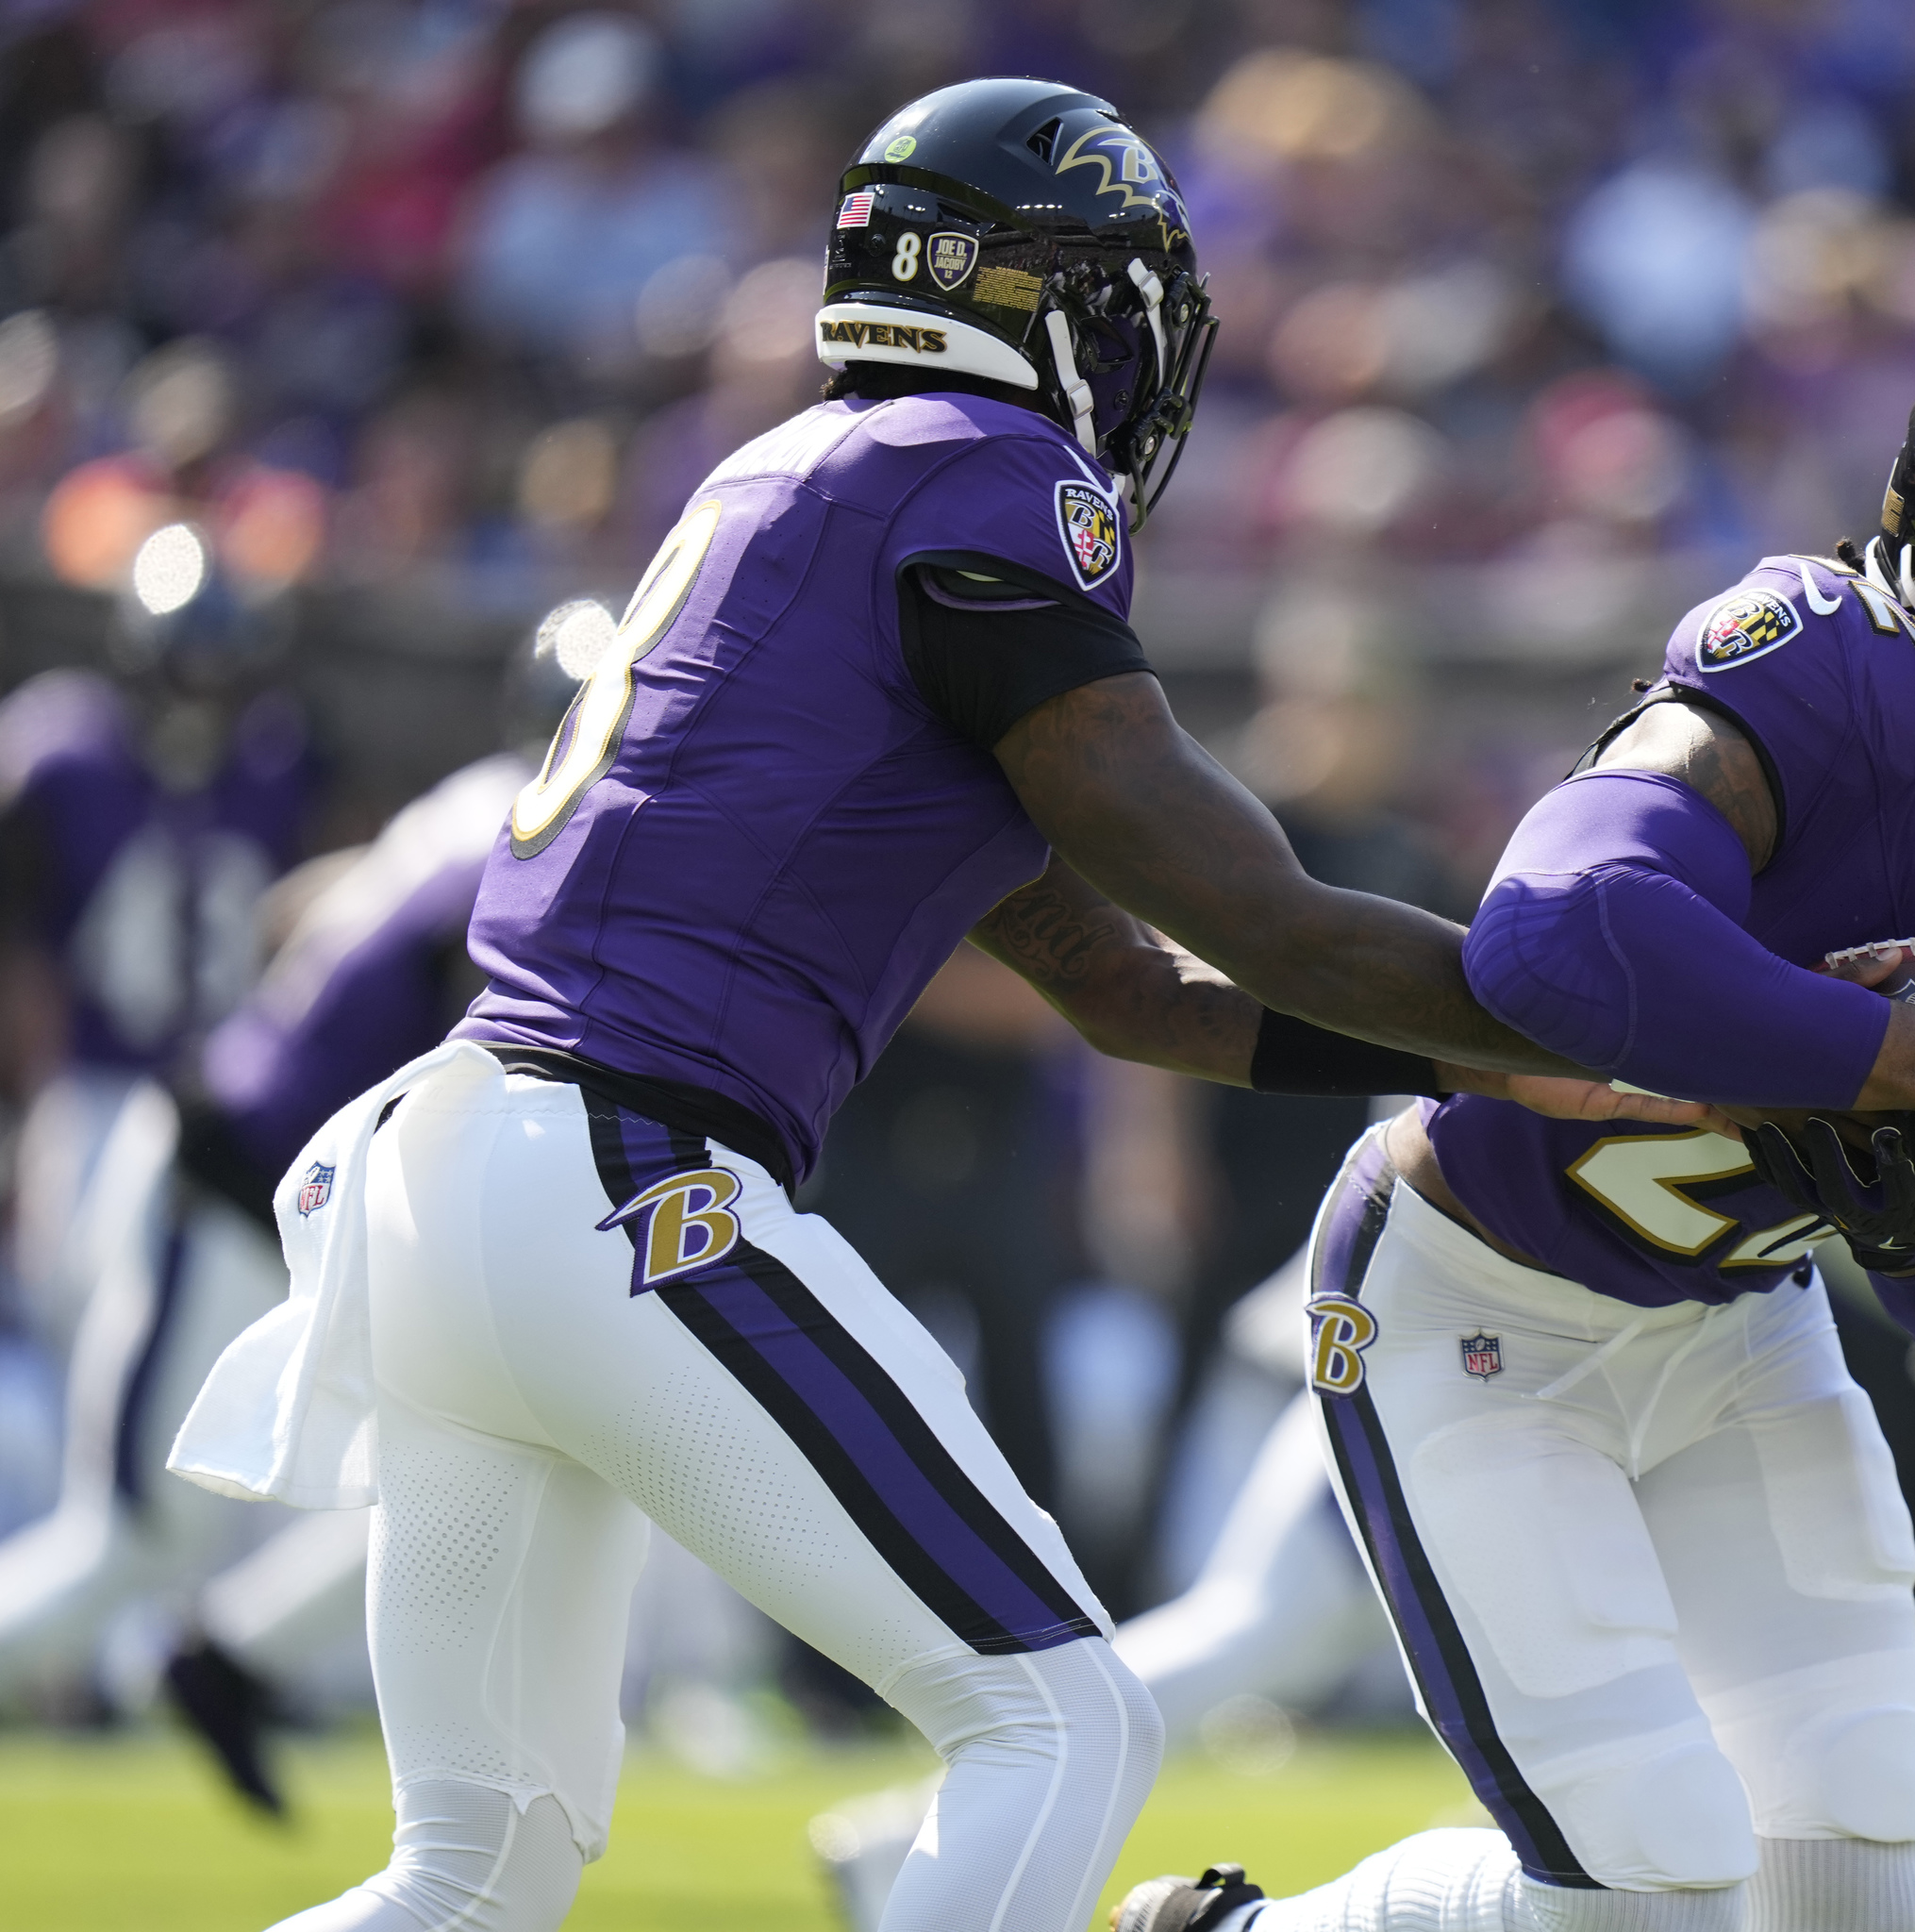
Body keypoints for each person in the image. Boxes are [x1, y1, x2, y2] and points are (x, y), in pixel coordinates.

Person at [166, 78, 1697, 1932]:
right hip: (623, 1171)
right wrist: (1579, 1025)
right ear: (1046, 298)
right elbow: (1255, 908)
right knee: (1063, 1723)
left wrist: (1479, 1059)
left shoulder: (791, 495)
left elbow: (1133, 987)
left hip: (456, 1173)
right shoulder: (978, 473)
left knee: (470, 1871)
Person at [1115, 333, 1915, 1932]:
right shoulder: (1824, 676)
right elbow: (1548, 930)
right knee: (1652, 1878)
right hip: (1476, 1301)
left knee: (1855, 1859)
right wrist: (1907, 1065)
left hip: (1741, 1327)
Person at [0, 608, 578, 1793]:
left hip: (303, 1190)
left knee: (479, 1465)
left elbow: (316, 914)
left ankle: (228, 1657)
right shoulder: (523, 835)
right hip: (238, 1184)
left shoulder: (466, 809)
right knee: (134, 1538)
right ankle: (216, 1656)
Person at [0, 522, 308, 1358]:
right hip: (94, 1085)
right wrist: (36, 1096)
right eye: (180, 671)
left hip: (217, 1102)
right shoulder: (63, 751)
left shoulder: (281, 760)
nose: (196, 698)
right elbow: (30, 946)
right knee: (67, 1317)